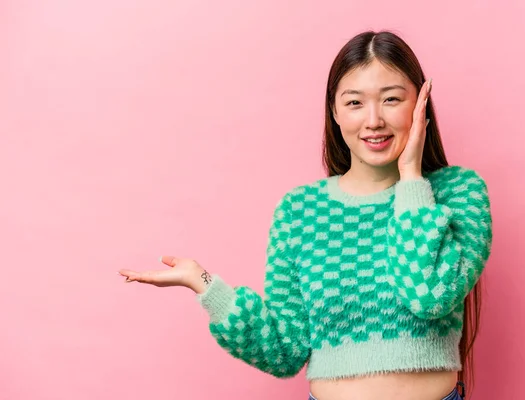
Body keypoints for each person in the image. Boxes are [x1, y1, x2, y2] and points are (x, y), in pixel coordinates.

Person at [119, 30, 493, 400]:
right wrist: (204, 285)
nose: (374, 120)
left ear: (420, 104)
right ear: (334, 111)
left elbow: (427, 295)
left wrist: (411, 178)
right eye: (354, 103)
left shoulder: (457, 192)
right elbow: (284, 350)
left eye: (392, 99)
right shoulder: (299, 211)